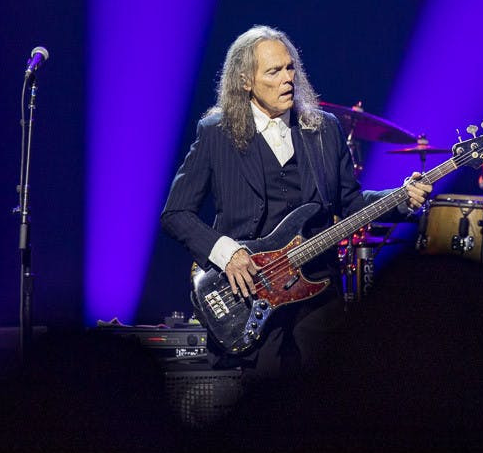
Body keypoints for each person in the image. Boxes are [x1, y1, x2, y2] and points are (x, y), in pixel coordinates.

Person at [161, 25, 431, 376]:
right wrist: (229, 254)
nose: (288, 78)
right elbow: (176, 213)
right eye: (274, 71)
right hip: (250, 291)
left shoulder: (324, 129)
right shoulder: (216, 132)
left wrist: (401, 199)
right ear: (246, 81)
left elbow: (350, 203)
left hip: (318, 289)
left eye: (290, 68)